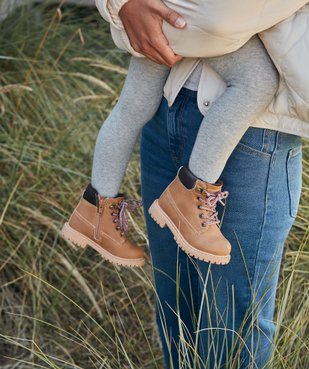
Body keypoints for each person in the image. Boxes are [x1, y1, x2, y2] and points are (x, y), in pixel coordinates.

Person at [94, 0, 308, 368]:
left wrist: (133, 12)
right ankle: (95, 210)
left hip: (253, 134)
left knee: (230, 333)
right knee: (177, 315)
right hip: (166, 106)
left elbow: (219, 18)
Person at [61, 0, 281, 267]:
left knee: (134, 105)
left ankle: (95, 209)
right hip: (193, 14)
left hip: (163, 10)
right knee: (257, 81)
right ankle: (189, 192)